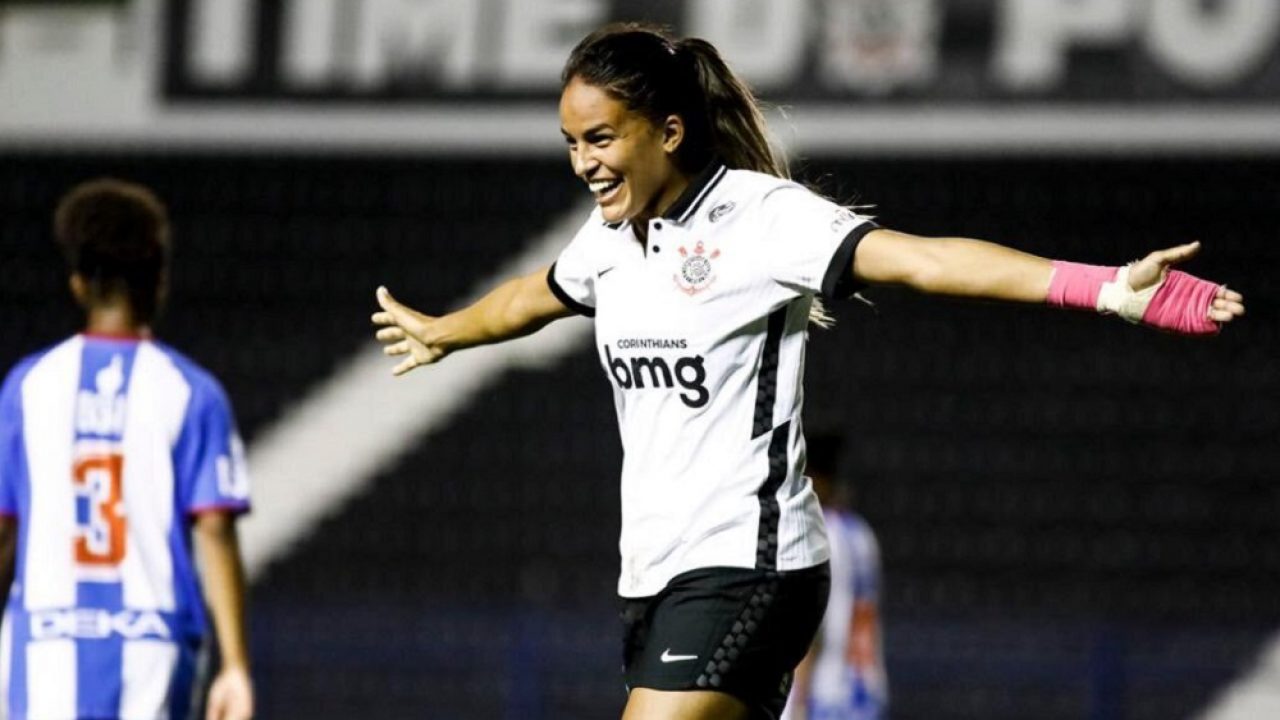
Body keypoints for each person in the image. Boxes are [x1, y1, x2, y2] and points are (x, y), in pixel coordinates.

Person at [370, 23, 1245, 720]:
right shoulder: (608, 239)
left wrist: (1102, 290)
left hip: (751, 567)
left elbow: (922, 260)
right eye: (569, 142)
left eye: (601, 138)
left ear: (668, 131)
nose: (583, 161)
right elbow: (535, 295)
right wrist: (447, 332)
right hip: (651, 577)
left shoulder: (760, 219)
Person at [0, 179, 255, 720]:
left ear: (77, 284)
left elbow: (5, 530)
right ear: (159, 281)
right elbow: (214, 529)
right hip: (154, 648)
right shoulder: (191, 392)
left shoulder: (28, 388)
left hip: (44, 642)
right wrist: (235, 664)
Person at [782, 434, 886, 720]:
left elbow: (811, 626)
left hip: (824, 696)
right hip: (864, 691)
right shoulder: (860, 533)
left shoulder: (816, 532)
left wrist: (799, 705)